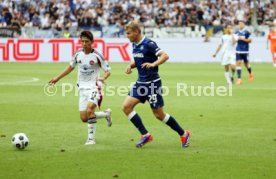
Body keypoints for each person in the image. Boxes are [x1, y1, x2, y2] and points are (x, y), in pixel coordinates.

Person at [122, 21, 190, 148]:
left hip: (152, 84)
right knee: (126, 107)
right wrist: (130, 66)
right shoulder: (135, 45)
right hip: (141, 83)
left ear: (136, 32)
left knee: (159, 115)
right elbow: (140, 61)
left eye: (129, 33)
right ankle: (145, 135)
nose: (127, 35)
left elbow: (165, 56)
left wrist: (153, 64)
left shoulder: (149, 44)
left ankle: (183, 133)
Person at [49, 31, 112, 145]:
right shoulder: (78, 54)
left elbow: (108, 71)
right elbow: (70, 67)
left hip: (95, 86)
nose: (83, 44)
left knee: (89, 110)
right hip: (82, 88)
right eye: (82, 41)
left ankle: (91, 139)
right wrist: (57, 78)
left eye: (86, 41)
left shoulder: (97, 55)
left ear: (92, 42)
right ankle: (106, 114)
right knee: (84, 118)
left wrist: (103, 77)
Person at [235, 21, 253, 85]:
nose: (240, 25)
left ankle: (250, 73)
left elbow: (250, 40)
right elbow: (234, 40)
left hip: (245, 50)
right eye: (239, 24)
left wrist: (243, 39)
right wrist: (235, 40)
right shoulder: (236, 32)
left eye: (241, 24)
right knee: (238, 63)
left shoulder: (247, 32)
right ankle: (239, 79)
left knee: (246, 64)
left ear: (244, 24)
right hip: (238, 50)